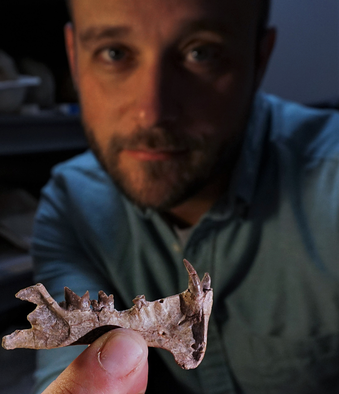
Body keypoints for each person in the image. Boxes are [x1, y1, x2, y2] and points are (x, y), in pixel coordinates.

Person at [32, 0, 339, 393]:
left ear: (259, 59)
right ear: (74, 57)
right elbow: (64, 364)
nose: (152, 112)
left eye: (202, 53)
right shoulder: (71, 202)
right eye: (115, 53)